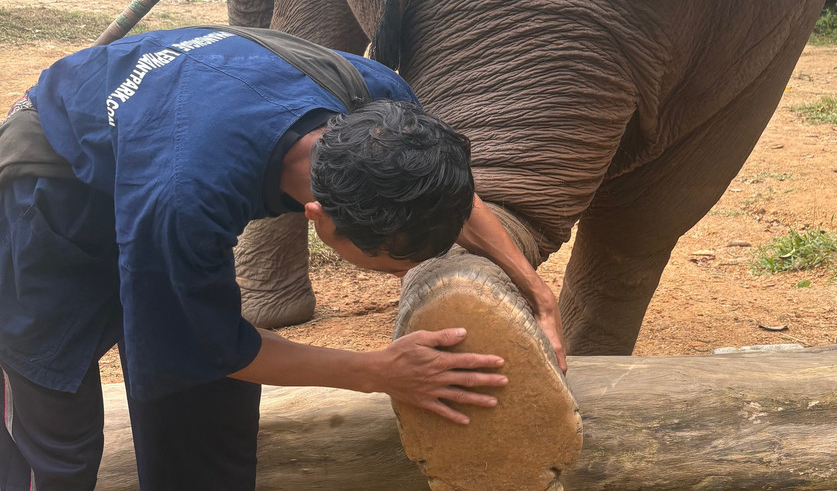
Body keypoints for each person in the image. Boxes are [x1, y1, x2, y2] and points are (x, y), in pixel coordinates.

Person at [0, 26, 565, 491]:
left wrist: (537, 294)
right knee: (58, 434)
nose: (401, 277)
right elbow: (215, 346)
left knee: (204, 407)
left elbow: (450, 193)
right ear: (319, 219)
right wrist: (378, 372)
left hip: (181, 122)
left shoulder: (379, 104)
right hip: (54, 184)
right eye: (393, 265)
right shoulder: (187, 200)